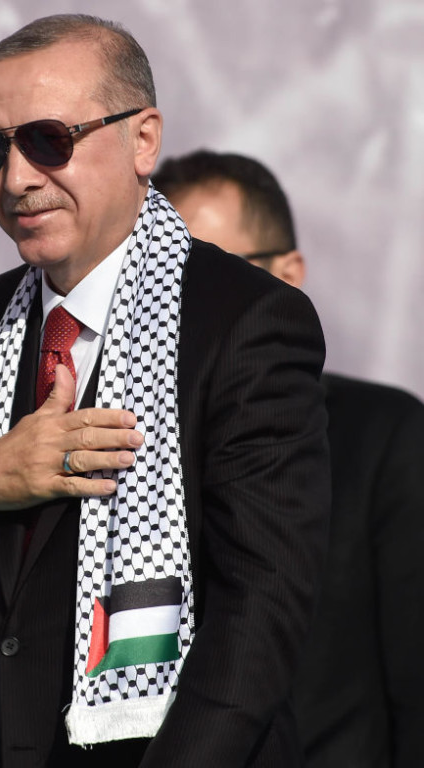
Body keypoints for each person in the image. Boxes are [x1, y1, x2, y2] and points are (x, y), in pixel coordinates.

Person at [0, 15, 330, 767]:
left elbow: (260, 613)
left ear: (143, 141)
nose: (17, 178)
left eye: (48, 139)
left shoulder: (243, 321)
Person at [153, 149, 424, 768]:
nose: (180, 305)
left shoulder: (384, 434)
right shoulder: (118, 443)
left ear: (289, 274)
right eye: (157, 279)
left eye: (212, 276)